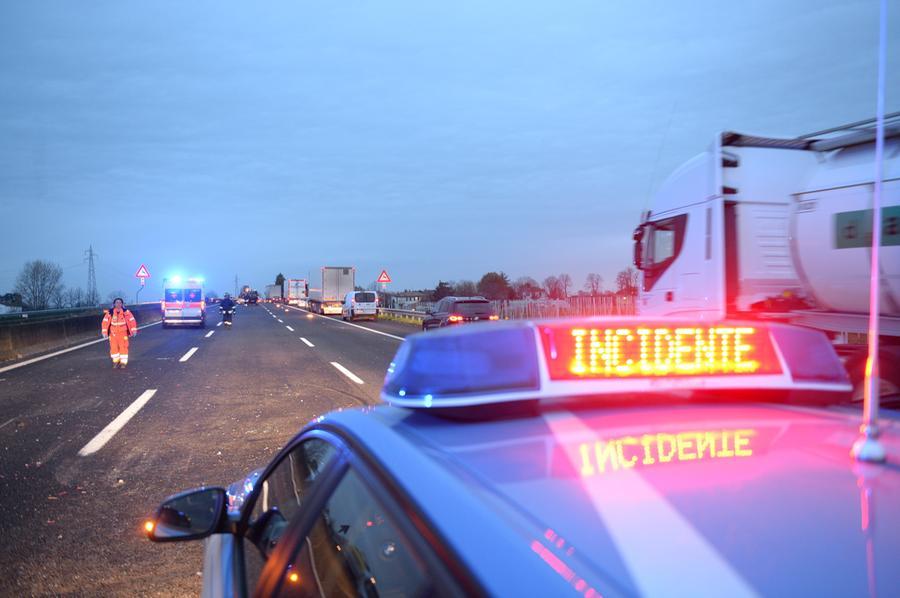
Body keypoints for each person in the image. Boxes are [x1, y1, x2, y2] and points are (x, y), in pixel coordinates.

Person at [101, 298, 137, 368]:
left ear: (122, 304)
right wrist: (104, 332)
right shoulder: (110, 312)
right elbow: (105, 322)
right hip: (113, 334)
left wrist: (134, 330)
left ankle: (123, 363)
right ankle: (116, 361)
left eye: (120, 302)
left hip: (123, 333)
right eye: (117, 302)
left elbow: (132, 321)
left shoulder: (126, 312)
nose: (118, 304)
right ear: (114, 304)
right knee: (113, 348)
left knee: (123, 347)